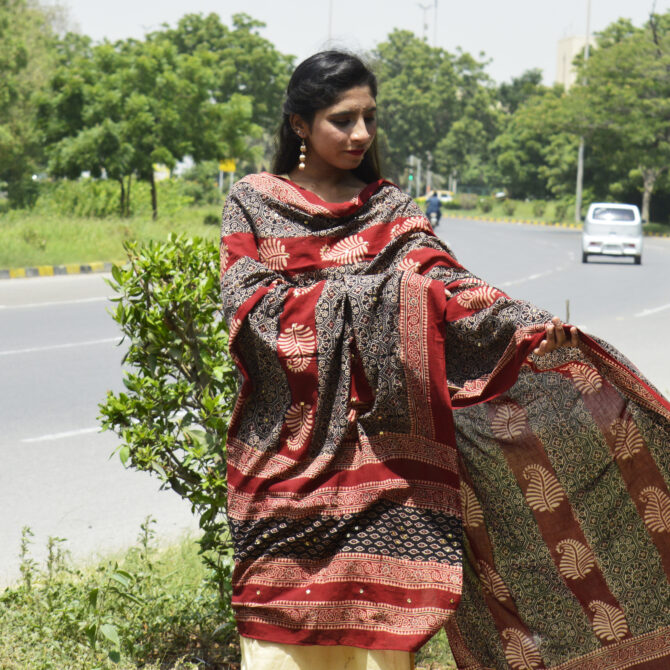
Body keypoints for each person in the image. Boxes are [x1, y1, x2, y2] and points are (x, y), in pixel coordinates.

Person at [219, 51, 670, 670]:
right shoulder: (254, 202)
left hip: (389, 467)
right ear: (299, 125)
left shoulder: (391, 210)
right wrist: (386, 295)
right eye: (341, 119)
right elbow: (252, 315)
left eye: (369, 118)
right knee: (278, 645)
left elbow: (452, 291)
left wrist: (525, 329)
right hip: (286, 464)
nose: (360, 134)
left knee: (379, 649)